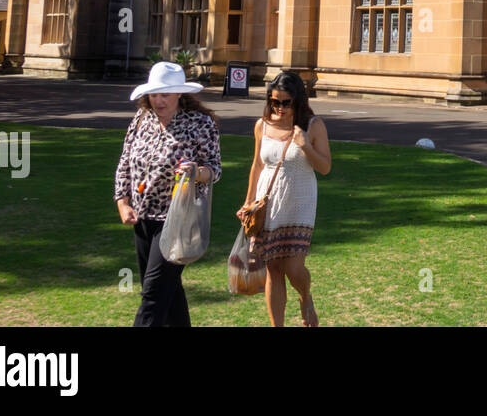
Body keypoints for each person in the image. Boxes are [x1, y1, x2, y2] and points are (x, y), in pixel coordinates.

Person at [114, 61, 221, 327]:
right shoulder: (142, 120)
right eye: (154, 94)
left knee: (152, 296)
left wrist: (196, 171)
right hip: (142, 218)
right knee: (168, 294)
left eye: (165, 94)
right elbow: (125, 162)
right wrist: (122, 202)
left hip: (177, 220)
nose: (158, 101)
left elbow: (214, 170)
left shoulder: (200, 123)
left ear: (179, 94)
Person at [239, 70, 330, 327]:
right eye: (274, 101)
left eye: (285, 102)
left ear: (298, 101)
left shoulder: (313, 126)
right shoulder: (262, 125)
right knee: (273, 268)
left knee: (293, 268)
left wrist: (305, 146)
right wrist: (248, 202)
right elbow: (257, 165)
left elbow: (324, 167)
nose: (278, 107)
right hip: (268, 205)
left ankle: (305, 296)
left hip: (299, 202)